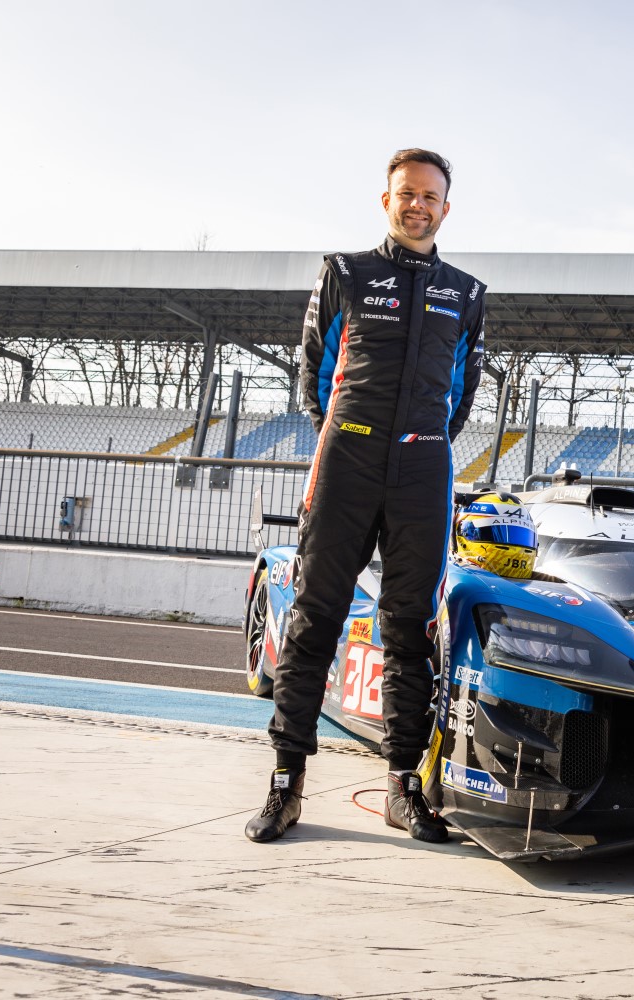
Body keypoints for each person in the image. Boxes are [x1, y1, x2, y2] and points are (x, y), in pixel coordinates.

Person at [246, 148, 486, 845]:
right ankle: (287, 782)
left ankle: (402, 786)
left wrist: (414, 442)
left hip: (424, 471)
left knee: (409, 627)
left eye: (430, 196)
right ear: (386, 201)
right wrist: (348, 437)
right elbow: (313, 374)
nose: (418, 205)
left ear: (447, 208)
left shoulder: (468, 293)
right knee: (315, 617)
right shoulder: (346, 272)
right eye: (406, 194)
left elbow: (462, 395)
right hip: (346, 460)